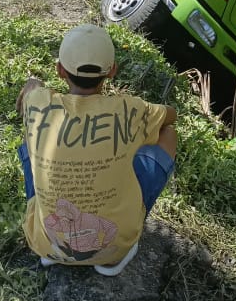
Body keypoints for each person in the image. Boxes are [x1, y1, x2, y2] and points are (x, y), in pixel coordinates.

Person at [17, 24, 177, 276]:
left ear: (60, 70)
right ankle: (112, 258)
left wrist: (33, 83)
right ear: (112, 71)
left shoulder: (38, 102)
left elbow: (30, 92)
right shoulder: (131, 110)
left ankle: (54, 253)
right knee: (167, 134)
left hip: (46, 243)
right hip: (114, 248)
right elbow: (170, 117)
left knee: (31, 142)